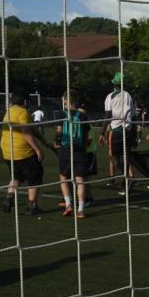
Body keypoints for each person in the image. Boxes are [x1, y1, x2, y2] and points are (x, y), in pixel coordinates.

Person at [0, 91, 45, 215]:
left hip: (8, 152)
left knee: (17, 176)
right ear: (25, 102)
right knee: (36, 176)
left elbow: (31, 129)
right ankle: (32, 206)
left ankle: (8, 199)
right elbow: (26, 132)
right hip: (22, 152)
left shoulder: (9, 111)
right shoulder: (23, 112)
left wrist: (44, 142)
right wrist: (38, 150)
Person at [98, 72, 136, 195]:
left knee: (112, 155)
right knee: (126, 155)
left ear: (114, 84)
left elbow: (108, 115)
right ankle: (127, 180)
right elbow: (133, 116)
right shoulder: (129, 96)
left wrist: (101, 132)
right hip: (128, 130)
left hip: (116, 130)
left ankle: (125, 178)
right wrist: (135, 134)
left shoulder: (110, 96)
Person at [55, 90, 89, 218]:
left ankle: (69, 204)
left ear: (65, 100)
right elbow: (86, 136)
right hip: (80, 150)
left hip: (65, 150)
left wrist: (56, 141)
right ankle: (81, 209)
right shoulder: (83, 116)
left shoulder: (62, 114)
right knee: (80, 180)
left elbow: (59, 131)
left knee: (63, 177)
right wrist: (84, 148)